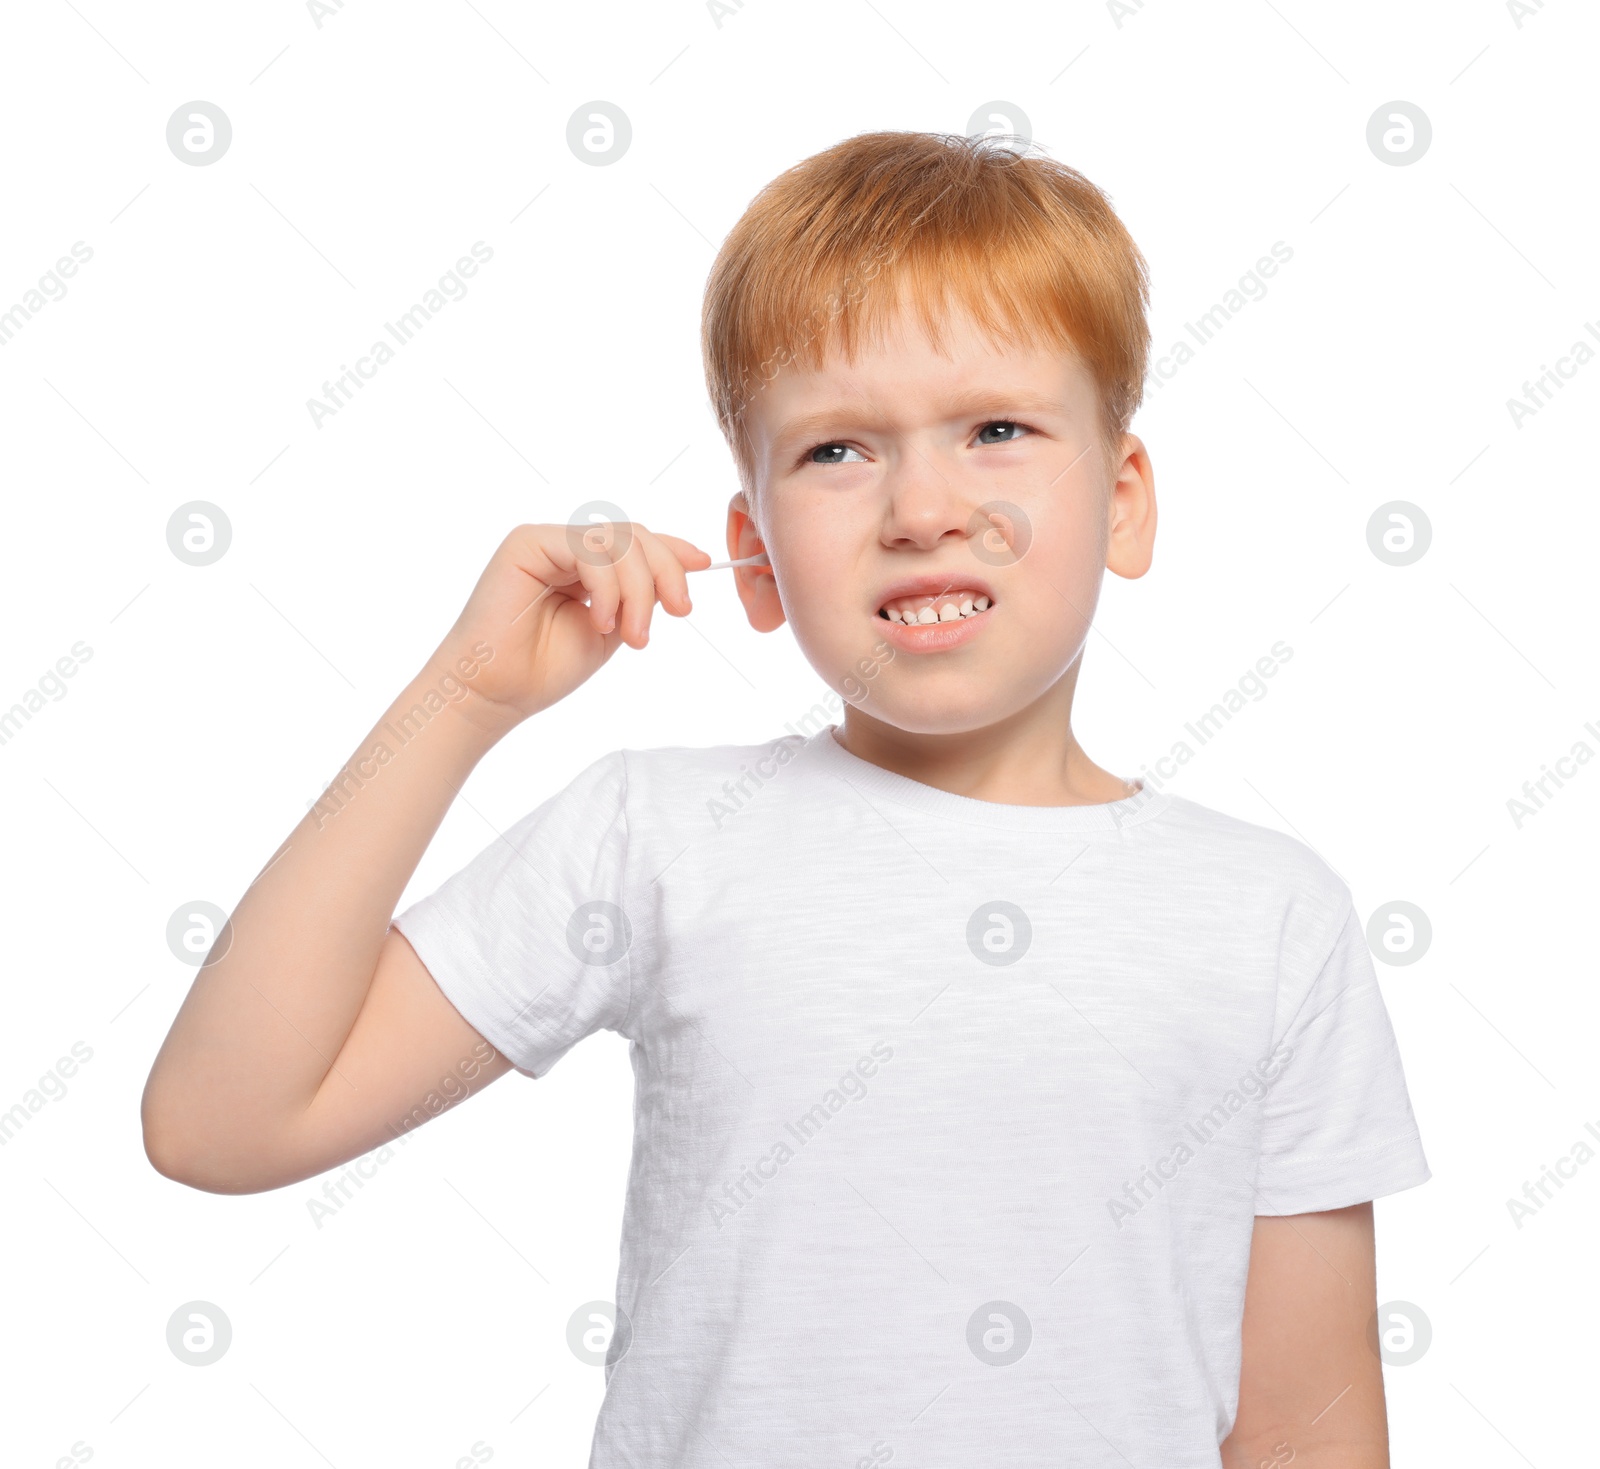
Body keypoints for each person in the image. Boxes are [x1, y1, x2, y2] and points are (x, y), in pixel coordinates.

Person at [142, 130, 1429, 1466]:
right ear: (754, 555)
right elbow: (220, 1123)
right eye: (835, 452)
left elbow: (1304, 1429)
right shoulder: (653, 839)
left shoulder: (1272, 917)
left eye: (997, 429)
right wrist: (466, 698)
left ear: (1123, 501)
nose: (926, 507)